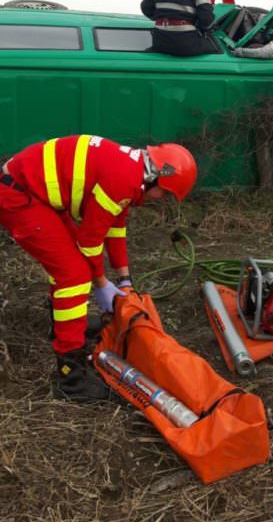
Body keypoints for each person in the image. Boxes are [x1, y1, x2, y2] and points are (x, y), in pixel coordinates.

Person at [0, 135, 197, 402]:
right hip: (20, 197)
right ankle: (71, 376)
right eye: (165, 193)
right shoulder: (124, 179)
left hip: (34, 193)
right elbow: (90, 242)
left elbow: (115, 227)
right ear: (157, 177)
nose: (161, 200)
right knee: (74, 276)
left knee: (69, 266)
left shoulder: (130, 171)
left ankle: (64, 326)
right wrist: (102, 284)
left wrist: (125, 279)